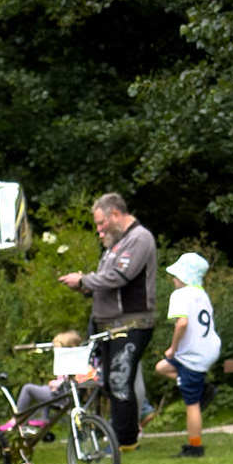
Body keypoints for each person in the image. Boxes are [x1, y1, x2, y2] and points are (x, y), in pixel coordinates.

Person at [58, 193, 156, 450]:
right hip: (108, 326)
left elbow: (120, 276)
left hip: (130, 325)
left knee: (120, 381)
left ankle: (124, 441)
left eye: (101, 223)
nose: (99, 229)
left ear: (115, 214)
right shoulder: (116, 243)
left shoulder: (139, 238)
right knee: (112, 384)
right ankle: (122, 435)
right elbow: (107, 281)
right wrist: (86, 287)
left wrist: (84, 280)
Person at [155, 252, 223, 457]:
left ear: (184, 277)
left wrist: (172, 348)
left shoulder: (180, 295)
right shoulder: (202, 294)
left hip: (192, 355)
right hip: (207, 348)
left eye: (176, 275)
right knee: (161, 367)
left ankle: (195, 446)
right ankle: (199, 387)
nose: (173, 279)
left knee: (191, 405)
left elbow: (182, 323)